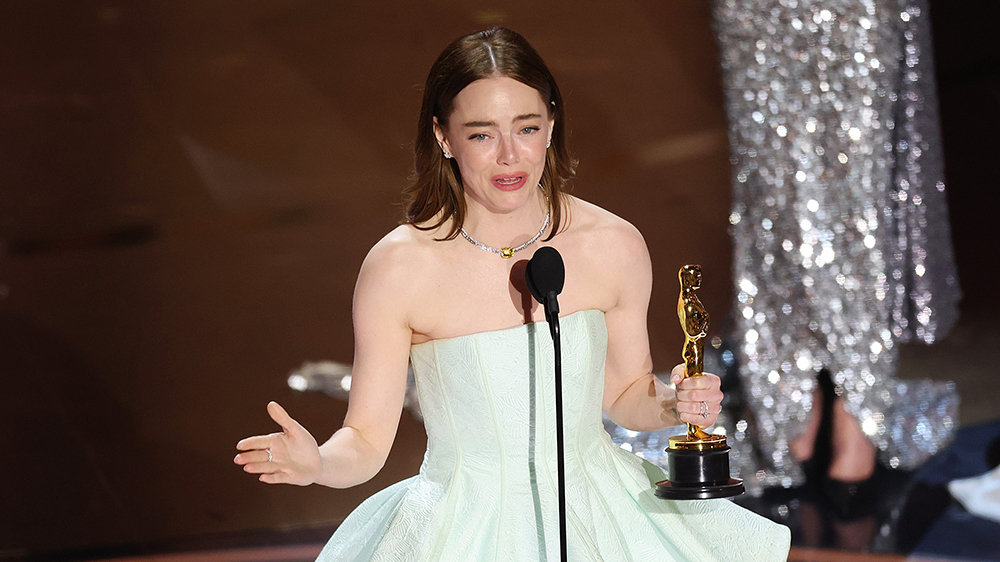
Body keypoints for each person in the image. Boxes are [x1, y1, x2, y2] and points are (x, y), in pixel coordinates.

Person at [234, 27, 790, 561]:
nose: (509, 156)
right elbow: (364, 440)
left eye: (526, 128)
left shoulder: (612, 245)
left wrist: (675, 402)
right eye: (481, 134)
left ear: (551, 125)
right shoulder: (399, 268)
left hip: (601, 513)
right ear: (442, 137)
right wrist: (315, 465)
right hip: (460, 528)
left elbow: (625, 394)